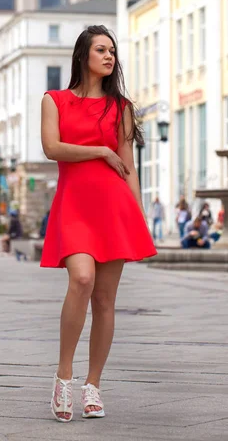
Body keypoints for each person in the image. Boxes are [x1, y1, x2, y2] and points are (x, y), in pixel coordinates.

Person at [41, 25, 156, 423]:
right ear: (83, 55)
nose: (109, 57)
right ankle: (63, 376)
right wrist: (100, 151)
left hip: (113, 207)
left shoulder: (121, 107)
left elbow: (129, 166)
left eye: (113, 51)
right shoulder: (54, 100)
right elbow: (52, 148)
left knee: (105, 302)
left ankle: (94, 384)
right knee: (82, 279)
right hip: (74, 205)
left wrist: (138, 216)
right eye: (101, 50)